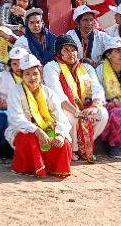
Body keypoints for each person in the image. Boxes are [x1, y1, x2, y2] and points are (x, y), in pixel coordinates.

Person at [43, 33, 108, 163]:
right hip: (63, 107)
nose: (71, 53)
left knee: (102, 113)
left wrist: (94, 107)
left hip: (84, 107)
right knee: (70, 115)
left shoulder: (86, 67)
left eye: (73, 50)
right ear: (59, 53)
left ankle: (84, 145)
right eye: (66, 50)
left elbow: (97, 88)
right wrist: (77, 111)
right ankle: (72, 149)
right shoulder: (51, 67)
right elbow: (57, 94)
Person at [5, 54, 72, 178]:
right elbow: (16, 118)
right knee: (30, 139)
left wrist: (60, 134)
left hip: (48, 127)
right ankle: (34, 168)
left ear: (40, 75)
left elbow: (59, 115)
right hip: (24, 130)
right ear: (21, 75)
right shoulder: (15, 91)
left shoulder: (48, 92)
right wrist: (37, 130)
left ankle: (53, 168)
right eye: (27, 74)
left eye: (35, 73)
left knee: (64, 143)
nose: (32, 77)